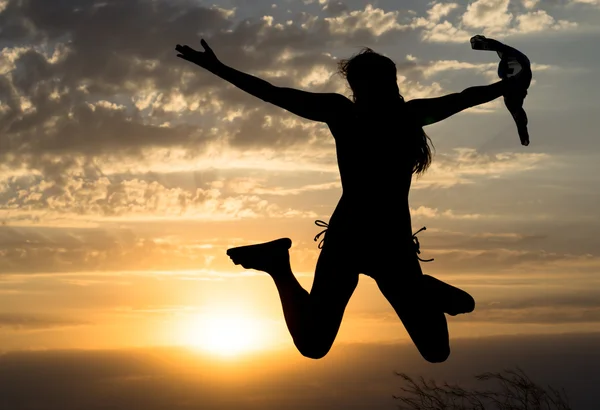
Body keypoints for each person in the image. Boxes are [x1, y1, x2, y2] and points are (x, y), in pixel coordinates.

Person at [175, 39, 524, 363]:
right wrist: (510, 83)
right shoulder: (386, 115)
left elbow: (270, 93)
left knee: (432, 351)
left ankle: (284, 265)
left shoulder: (362, 113)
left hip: (375, 242)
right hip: (365, 241)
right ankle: (280, 264)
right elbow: (468, 96)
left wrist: (509, 83)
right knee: (323, 344)